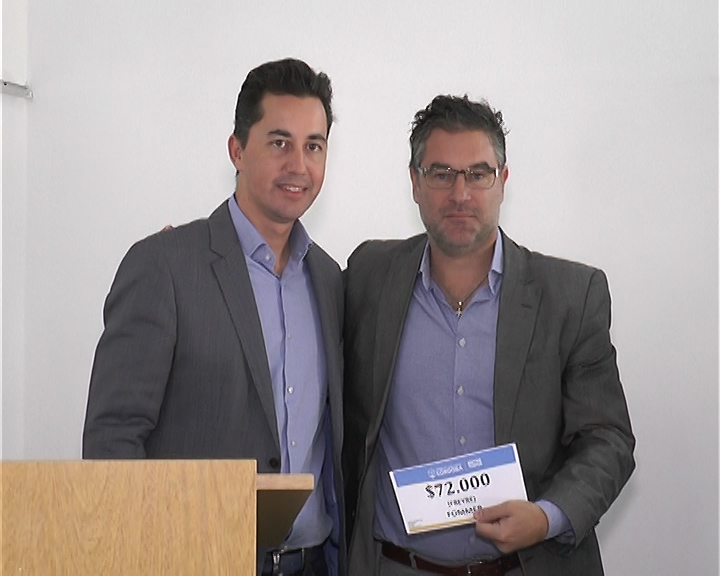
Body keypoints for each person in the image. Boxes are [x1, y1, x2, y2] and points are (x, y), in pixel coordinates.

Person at [342, 95, 635, 575]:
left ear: (503, 180)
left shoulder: (570, 296)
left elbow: (608, 439)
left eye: (478, 173)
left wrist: (547, 517)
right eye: (441, 173)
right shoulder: (368, 277)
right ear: (414, 182)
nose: (460, 194)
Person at [83, 58, 345, 576]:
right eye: (279, 142)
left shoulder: (330, 280)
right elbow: (113, 437)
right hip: (194, 560)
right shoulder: (165, 266)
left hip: (314, 564)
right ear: (237, 150)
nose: (299, 164)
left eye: (313, 146)